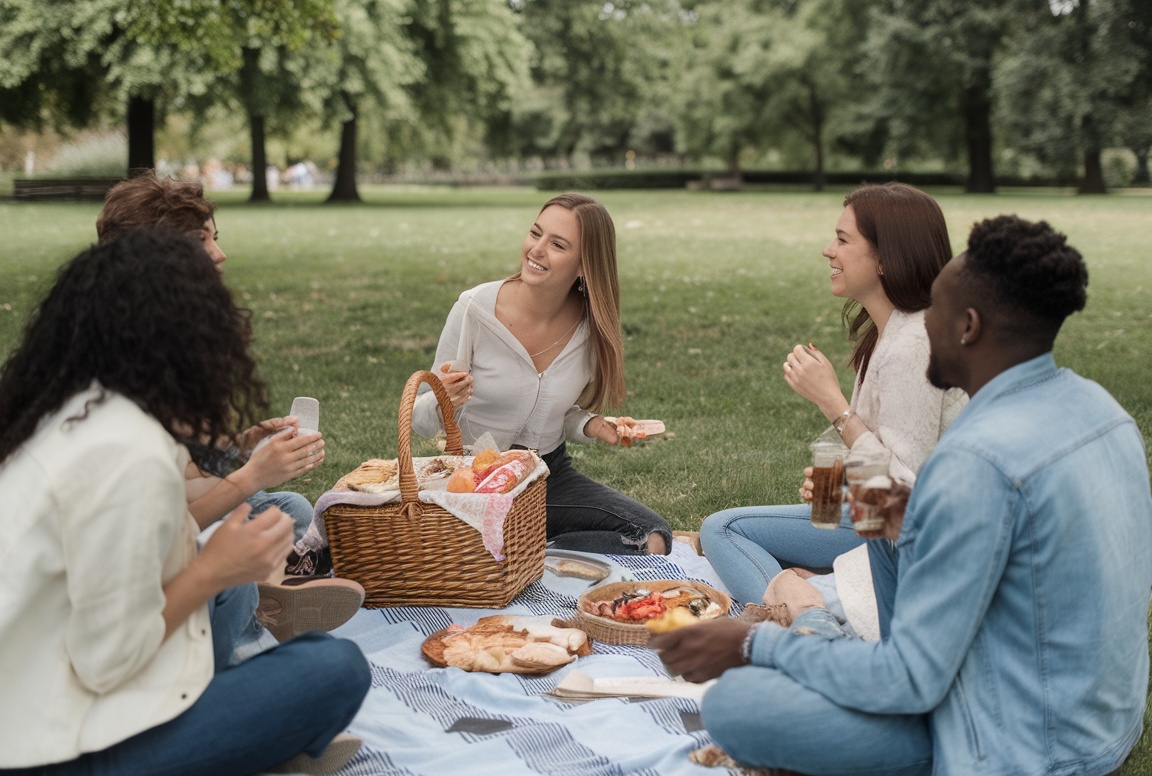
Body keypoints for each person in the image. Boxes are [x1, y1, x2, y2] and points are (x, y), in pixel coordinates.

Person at [652, 215, 1152, 776]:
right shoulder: (1104, 411)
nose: (919, 324)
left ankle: (814, 622)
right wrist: (886, 510)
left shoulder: (979, 461)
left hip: (1022, 744)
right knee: (879, 513)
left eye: (934, 307)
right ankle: (821, 630)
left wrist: (753, 646)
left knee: (735, 706)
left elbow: (911, 681)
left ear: (966, 325)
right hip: (1099, 719)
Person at [0, 230, 371, 775]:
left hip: (34, 688)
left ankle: (238, 722)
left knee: (225, 596)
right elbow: (106, 660)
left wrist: (220, 570)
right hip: (56, 749)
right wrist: (215, 567)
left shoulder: (68, 412)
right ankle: (249, 744)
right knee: (334, 667)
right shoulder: (130, 456)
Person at [97, 171, 363, 644]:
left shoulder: (179, 336)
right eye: (201, 242)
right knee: (239, 566)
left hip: (176, 516)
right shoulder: (122, 364)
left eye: (216, 239)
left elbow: (190, 468)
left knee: (286, 509)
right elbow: (164, 522)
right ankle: (258, 607)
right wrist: (250, 476)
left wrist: (241, 447)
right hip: (131, 557)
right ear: (153, 257)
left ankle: (267, 597)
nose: (220, 255)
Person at [700, 183, 966, 638]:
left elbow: (904, 505)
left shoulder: (916, 346)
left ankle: (811, 619)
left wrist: (833, 403)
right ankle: (806, 594)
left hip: (922, 543)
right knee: (726, 530)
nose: (828, 250)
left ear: (885, 257)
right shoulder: (890, 334)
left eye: (843, 240)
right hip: (875, 519)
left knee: (725, 532)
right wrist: (841, 481)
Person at [411, 192, 672, 555]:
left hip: (547, 477)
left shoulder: (589, 328)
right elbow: (420, 419)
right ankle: (521, 549)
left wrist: (592, 425)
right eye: (536, 234)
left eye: (557, 244)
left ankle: (529, 551)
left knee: (651, 537)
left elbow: (553, 412)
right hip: (472, 480)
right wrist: (444, 401)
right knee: (469, 552)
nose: (536, 249)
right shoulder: (474, 310)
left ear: (584, 266)